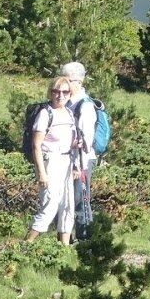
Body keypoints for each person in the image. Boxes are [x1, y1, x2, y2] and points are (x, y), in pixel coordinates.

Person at [26, 75, 80, 245]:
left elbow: (70, 143)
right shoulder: (45, 113)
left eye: (65, 92)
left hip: (67, 161)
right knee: (50, 205)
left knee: (68, 205)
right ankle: (27, 244)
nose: (60, 95)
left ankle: (64, 248)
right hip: (50, 162)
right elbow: (36, 146)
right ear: (51, 93)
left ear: (70, 94)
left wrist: (75, 164)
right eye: (56, 91)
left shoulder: (70, 113)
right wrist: (42, 173)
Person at [60, 61, 99, 239]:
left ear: (79, 82)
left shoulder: (85, 106)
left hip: (82, 160)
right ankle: (69, 237)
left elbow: (86, 141)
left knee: (80, 198)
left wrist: (78, 164)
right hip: (67, 159)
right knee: (68, 198)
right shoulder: (67, 103)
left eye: (67, 80)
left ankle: (86, 238)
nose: (64, 84)